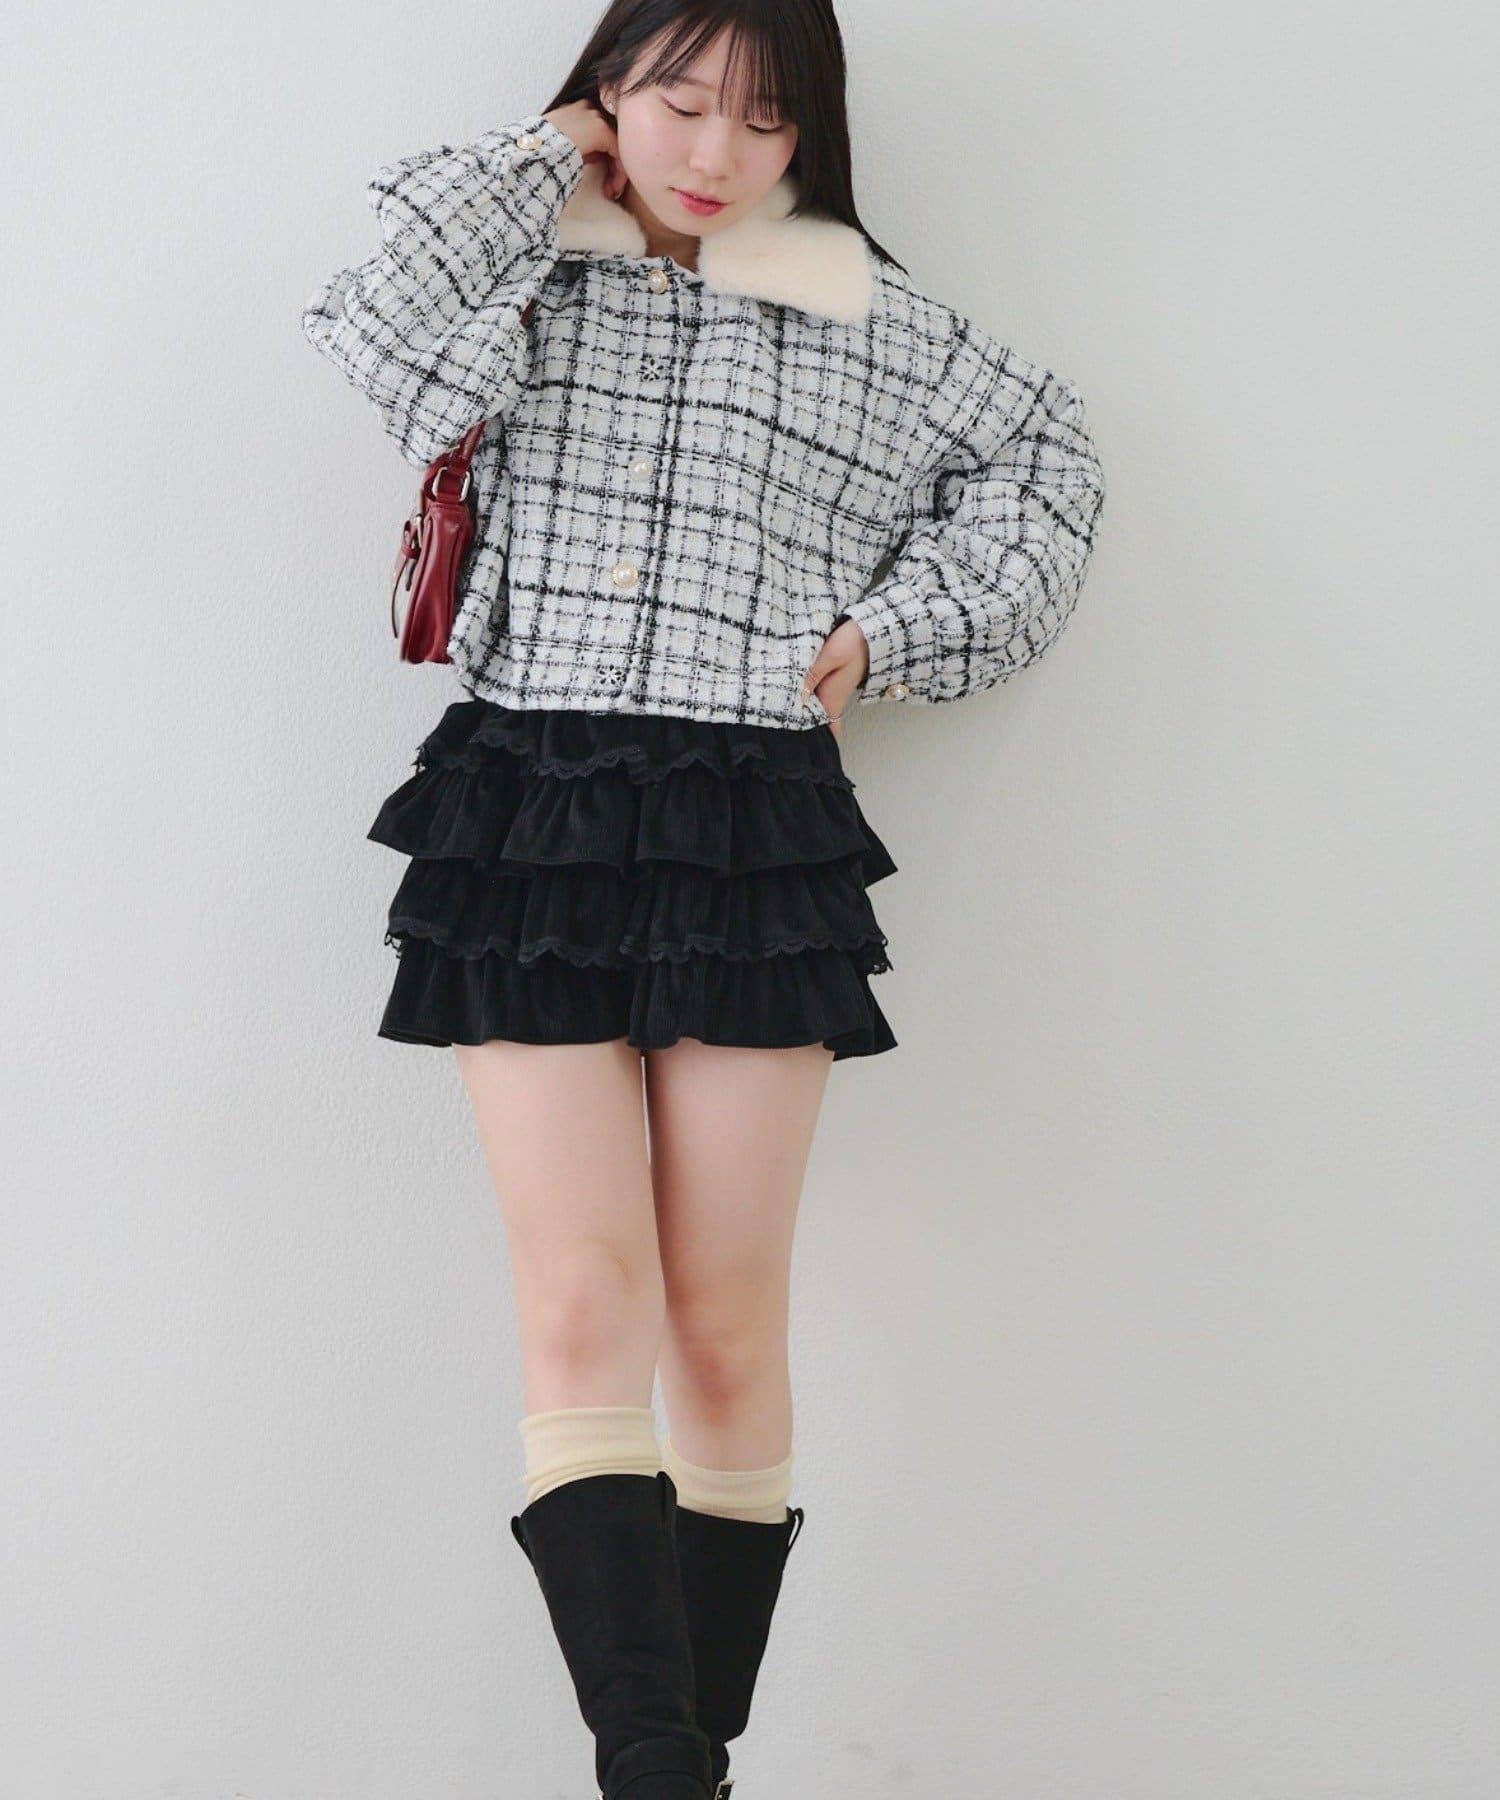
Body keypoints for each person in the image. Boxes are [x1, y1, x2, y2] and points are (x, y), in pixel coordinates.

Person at [299, 3, 1106, 1795]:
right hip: (530, 808)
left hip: (753, 823)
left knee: (727, 1327)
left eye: (763, 117)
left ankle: (693, 1766)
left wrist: (891, 632)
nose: (714, 151)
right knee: (584, 1304)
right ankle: (652, 1766)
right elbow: (374, 316)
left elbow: (1053, 467)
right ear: (611, 92)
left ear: (809, 137)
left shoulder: (866, 318)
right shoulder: (527, 271)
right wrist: (547, 154)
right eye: (675, 100)